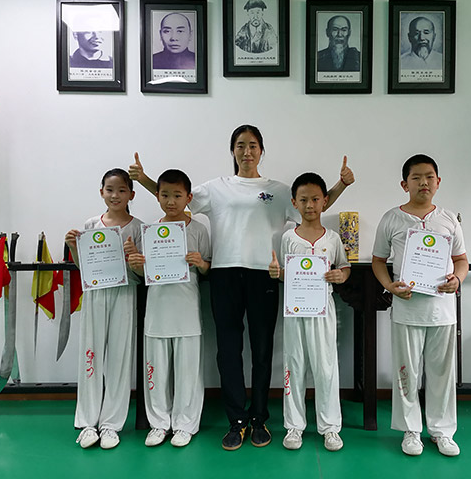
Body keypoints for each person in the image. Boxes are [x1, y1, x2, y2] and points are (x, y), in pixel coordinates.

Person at [128, 124, 354, 451]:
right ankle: (236, 420)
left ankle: (259, 417)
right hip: (224, 274)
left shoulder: (278, 190)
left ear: (262, 150)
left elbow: (314, 204)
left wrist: (341, 185)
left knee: (262, 351)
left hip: (265, 275)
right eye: (240, 145)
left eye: (252, 145)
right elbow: (175, 196)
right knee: (229, 351)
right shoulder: (216, 188)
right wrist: (144, 180)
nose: (246, 152)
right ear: (232, 150)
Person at [371, 154, 468, 457]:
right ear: (405, 184)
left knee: (441, 374)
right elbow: (378, 260)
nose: (423, 182)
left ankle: (441, 431)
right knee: (406, 373)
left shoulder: (449, 219)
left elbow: (461, 260)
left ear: (438, 183)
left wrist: (458, 280)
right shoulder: (392, 219)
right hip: (407, 308)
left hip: (442, 310)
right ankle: (411, 431)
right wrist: (389, 286)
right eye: (416, 177)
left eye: (429, 177)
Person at [126, 169, 211, 448]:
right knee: (157, 369)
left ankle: (185, 424)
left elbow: (209, 269)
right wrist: (136, 265)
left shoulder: (198, 229)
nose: (170, 201)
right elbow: (141, 274)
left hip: (187, 310)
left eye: (177, 195)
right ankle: (159, 423)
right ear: (157, 197)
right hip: (157, 310)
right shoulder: (148, 231)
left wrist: (200, 263)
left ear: (188, 197)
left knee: (188, 371)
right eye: (165, 195)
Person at [268, 172, 350, 452]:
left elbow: (344, 267)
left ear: (325, 201)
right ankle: (294, 426)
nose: (310, 205)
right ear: (294, 202)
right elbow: (283, 274)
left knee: (326, 368)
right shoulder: (288, 238)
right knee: (295, 365)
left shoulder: (334, 238)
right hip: (294, 312)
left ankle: (330, 427)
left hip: (323, 311)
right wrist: (276, 274)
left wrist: (341, 275)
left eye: (315, 199)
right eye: (303, 200)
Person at [65, 169, 143, 450]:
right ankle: (87, 423)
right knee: (91, 353)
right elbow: (82, 267)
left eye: (122, 190)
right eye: (110, 189)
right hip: (96, 295)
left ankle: (111, 424)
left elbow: (144, 273)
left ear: (131, 195)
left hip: (124, 294)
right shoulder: (90, 225)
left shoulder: (138, 228)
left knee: (119, 359)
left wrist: (133, 257)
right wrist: (74, 247)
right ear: (101, 192)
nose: (115, 195)